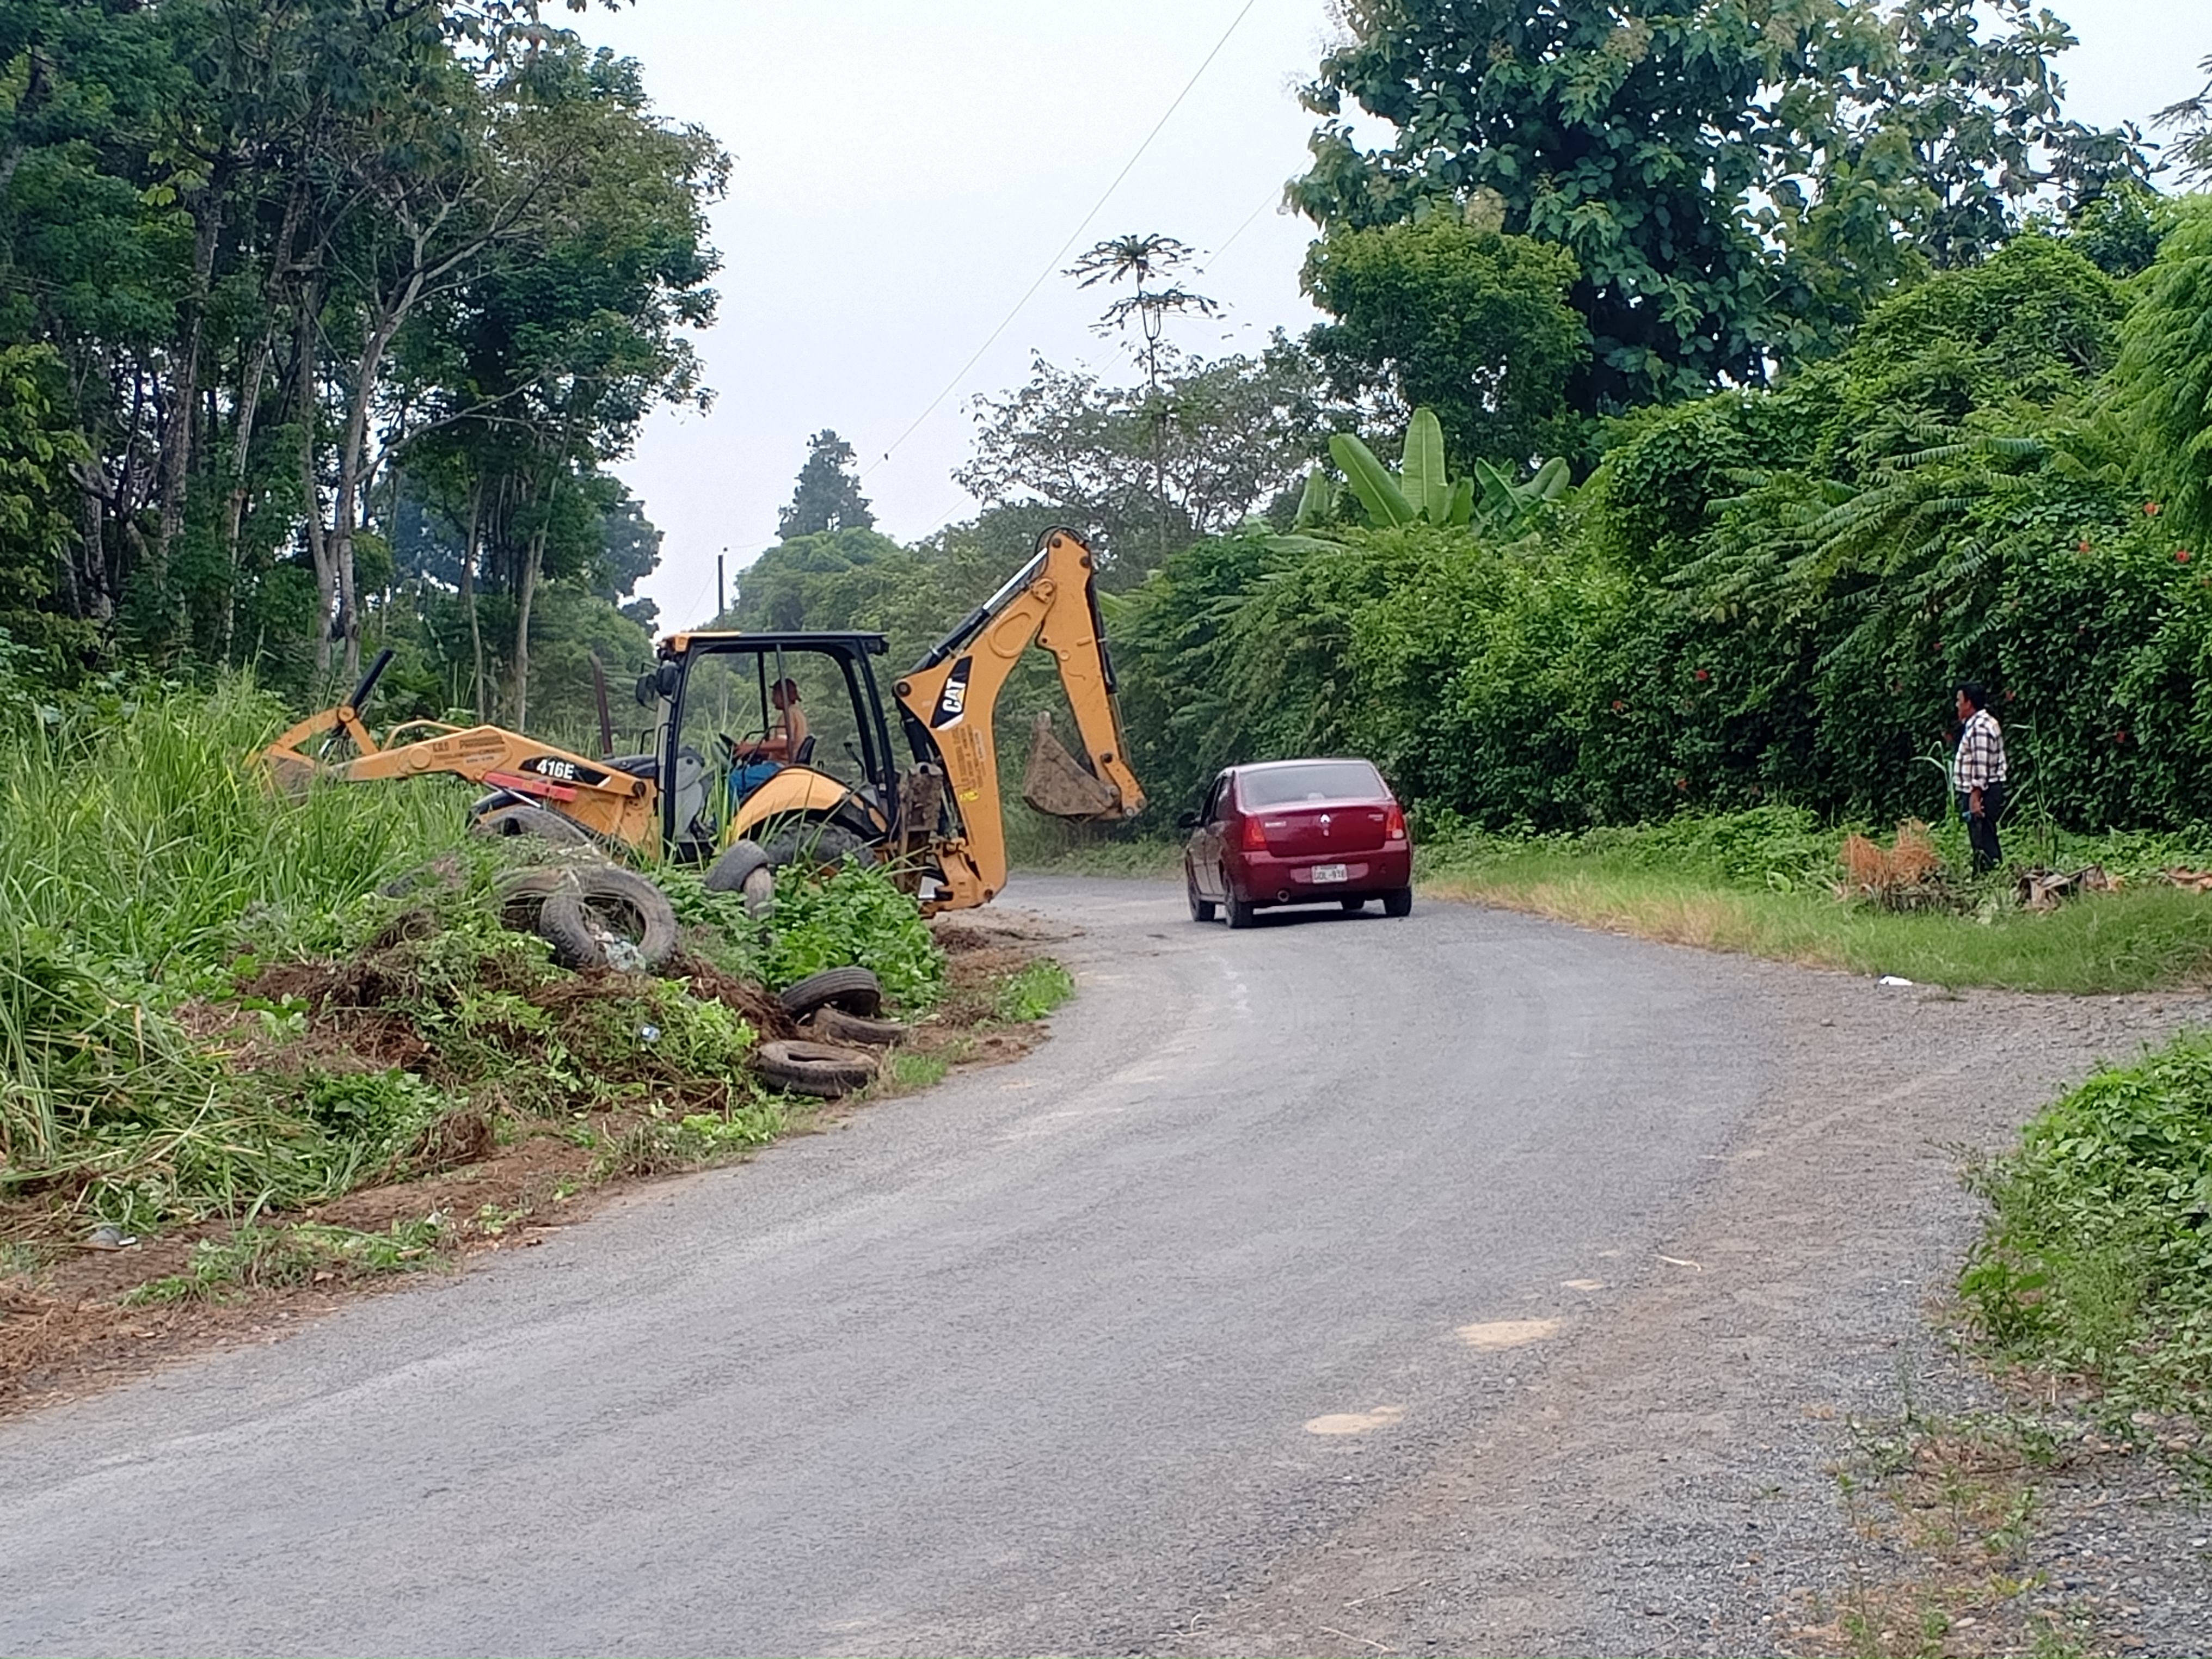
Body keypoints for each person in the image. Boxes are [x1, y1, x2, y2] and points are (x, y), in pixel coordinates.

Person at [1952, 681, 2008, 871]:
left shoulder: (1980, 728)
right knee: (1984, 837)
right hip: (1985, 790)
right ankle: (1990, 874)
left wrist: (1975, 797)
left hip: (1983, 792)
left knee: (1983, 839)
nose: (1957, 705)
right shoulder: (1982, 723)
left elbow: (1980, 766)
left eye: (1959, 701)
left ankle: (1988, 875)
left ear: (1969, 703)